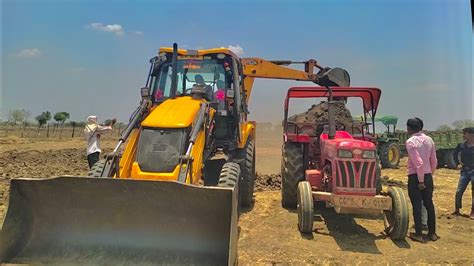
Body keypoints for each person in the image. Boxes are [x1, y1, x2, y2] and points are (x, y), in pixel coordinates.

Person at [405, 117, 439, 242]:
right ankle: (432, 233)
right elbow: (434, 161)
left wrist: (420, 181)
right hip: (428, 175)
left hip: (416, 177)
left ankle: (418, 233)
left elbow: (418, 163)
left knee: (417, 205)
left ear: (409, 128)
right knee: (429, 204)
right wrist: (429, 175)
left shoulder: (411, 142)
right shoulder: (429, 140)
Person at [452, 127, 474, 219]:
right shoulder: (461, 145)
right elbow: (455, 154)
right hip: (465, 171)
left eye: (465, 133)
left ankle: (473, 212)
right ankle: (457, 210)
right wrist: (457, 163)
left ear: (471, 134)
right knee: (459, 191)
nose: (463, 135)